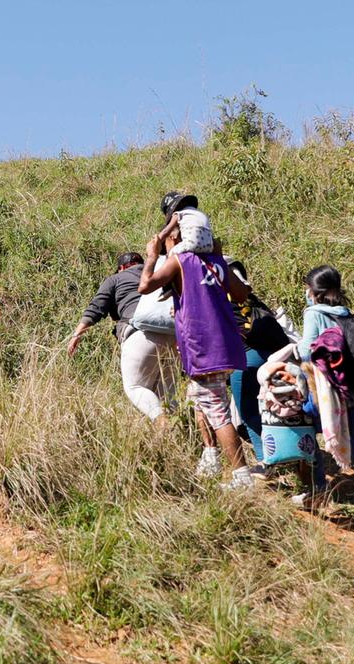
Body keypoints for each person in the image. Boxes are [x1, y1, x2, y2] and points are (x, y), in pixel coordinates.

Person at [138, 228, 254, 489]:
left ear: (177, 239)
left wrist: (152, 256)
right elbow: (242, 294)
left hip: (203, 351)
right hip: (220, 347)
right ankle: (211, 456)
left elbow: (144, 286)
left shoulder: (180, 260)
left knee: (218, 413)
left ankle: (242, 477)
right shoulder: (213, 261)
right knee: (199, 402)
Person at [297, 265, 354, 535]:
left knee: (305, 428)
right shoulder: (348, 315)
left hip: (334, 395)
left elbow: (306, 352)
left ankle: (318, 492)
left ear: (313, 292)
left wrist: (292, 348)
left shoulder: (314, 313)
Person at [68, 252, 178, 423]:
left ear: (121, 268)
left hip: (140, 334)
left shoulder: (115, 279)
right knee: (167, 396)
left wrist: (77, 334)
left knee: (136, 387)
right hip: (174, 334)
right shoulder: (159, 273)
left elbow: (97, 307)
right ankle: (174, 438)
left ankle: (162, 423)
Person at [226, 256, 290, 480]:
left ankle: (268, 461)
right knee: (275, 410)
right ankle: (293, 454)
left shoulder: (219, 300)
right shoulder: (252, 300)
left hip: (246, 359)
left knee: (249, 413)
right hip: (276, 358)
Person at [158, 191, 213, 258]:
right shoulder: (199, 213)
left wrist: (156, 241)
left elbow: (166, 231)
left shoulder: (177, 214)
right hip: (209, 246)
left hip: (192, 244)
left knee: (171, 255)